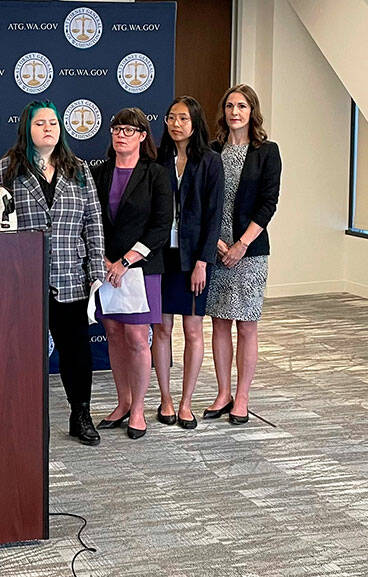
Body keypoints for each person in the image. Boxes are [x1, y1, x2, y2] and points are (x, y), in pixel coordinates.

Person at [0, 101, 106, 446]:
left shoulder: (79, 170)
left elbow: (93, 220)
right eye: (40, 123)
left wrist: (96, 268)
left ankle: (81, 415)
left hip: (70, 275)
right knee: (19, 353)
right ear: (27, 128)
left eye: (54, 123)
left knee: (76, 351)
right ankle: (19, 419)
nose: (48, 129)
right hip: (21, 281)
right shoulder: (5, 169)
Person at [92, 108, 173, 440]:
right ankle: (122, 402)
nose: (120, 134)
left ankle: (139, 408)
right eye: (116, 128)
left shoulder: (156, 174)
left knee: (138, 340)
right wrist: (106, 259)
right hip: (106, 268)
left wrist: (125, 261)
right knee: (114, 335)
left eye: (128, 129)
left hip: (140, 270)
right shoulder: (99, 172)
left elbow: (160, 226)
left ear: (142, 136)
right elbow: (91, 220)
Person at [204, 84, 281, 426]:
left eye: (242, 106)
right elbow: (201, 202)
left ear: (253, 113)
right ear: (223, 111)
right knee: (219, 323)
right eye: (230, 106)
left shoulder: (267, 151)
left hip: (250, 253)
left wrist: (240, 245)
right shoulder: (211, 151)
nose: (235, 112)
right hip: (215, 252)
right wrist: (217, 244)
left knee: (247, 325)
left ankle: (243, 396)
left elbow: (268, 204)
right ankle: (223, 393)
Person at [151, 96, 224, 430]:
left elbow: (214, 217)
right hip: (160, 256)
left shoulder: (210, 161)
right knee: (161, 329)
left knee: (192, 330)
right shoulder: (157, 159)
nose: (175, 124)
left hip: (192, 258)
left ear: (195, 122)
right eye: (170, 117)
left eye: (182, 118)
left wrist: (203, 262)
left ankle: (186, 403)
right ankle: (165, 399)